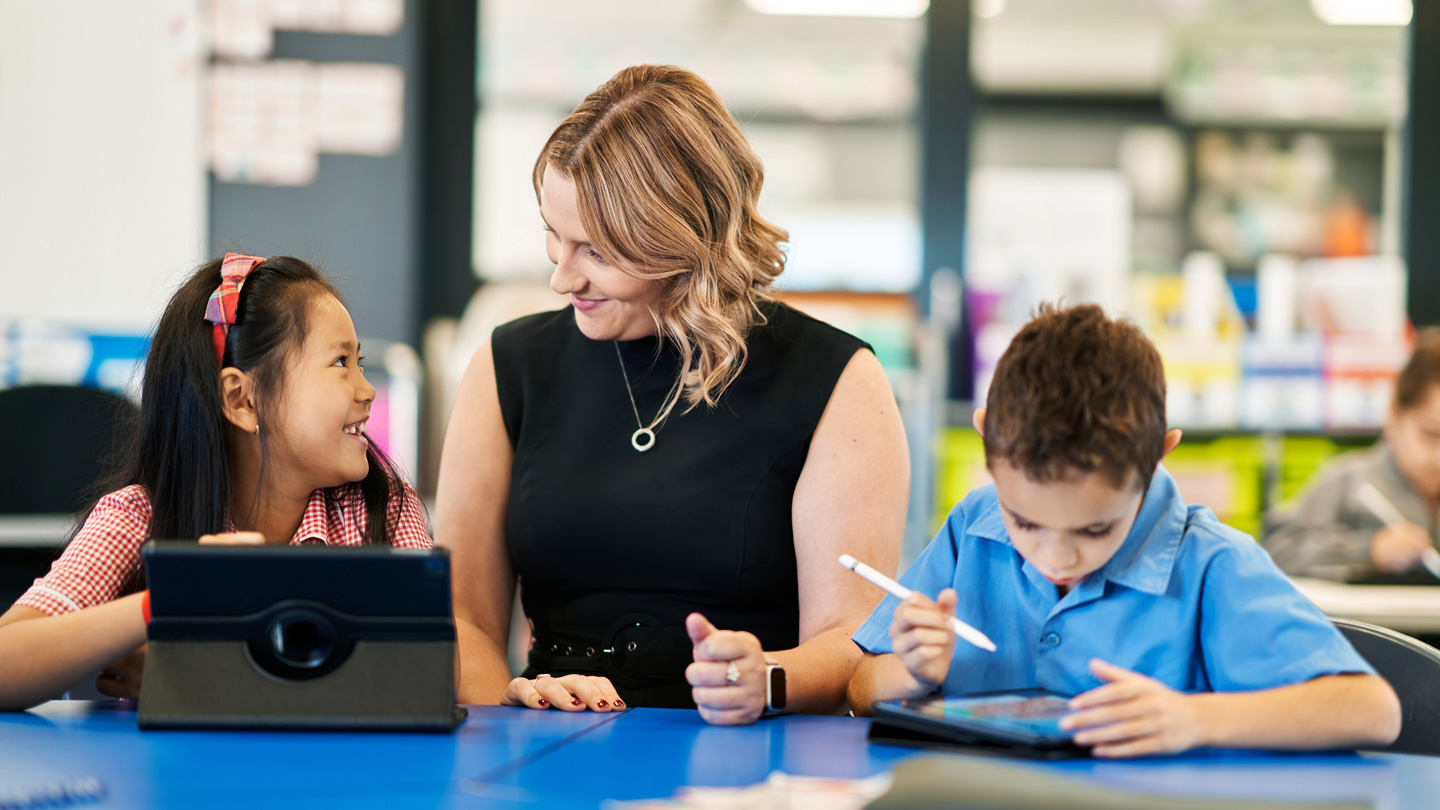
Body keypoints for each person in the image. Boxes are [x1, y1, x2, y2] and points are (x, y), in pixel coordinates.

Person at [435, 65, 909, 722]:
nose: (562, 277)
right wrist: (511, 707)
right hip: (551, 748)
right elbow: (466, 621)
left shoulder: (835, 379)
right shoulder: (508, 365)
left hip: (749, 756)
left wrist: (764, 676)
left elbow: (850, 641)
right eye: (554, 235)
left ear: (683, 242)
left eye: (596, 251)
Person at [846, 304, 1400, 757]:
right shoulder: (971, 527)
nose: (1055, 557)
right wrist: (913, 672)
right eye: (1026, 522)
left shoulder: (1209, 563)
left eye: (1095, 529)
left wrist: (1194, 718)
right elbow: (861, 687)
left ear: (1158, 456)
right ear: (987, 439)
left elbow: (1373, 710)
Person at [0, 254, 433, 710]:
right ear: (243, 400)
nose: (367, 390)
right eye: (341, 362)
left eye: (360, 362)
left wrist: (207, 675)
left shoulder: (386, 509)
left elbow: (429, 676)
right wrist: (168, 600)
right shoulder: (139, 515)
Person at [1265, 329, 1440, 582]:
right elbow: (1276, 551)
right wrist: (1370, 550)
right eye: (1431, 434)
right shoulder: (1349, 481)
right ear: (1394, 415)